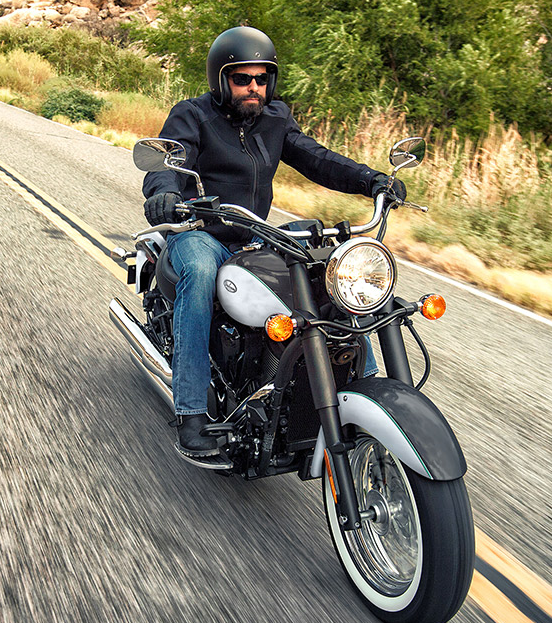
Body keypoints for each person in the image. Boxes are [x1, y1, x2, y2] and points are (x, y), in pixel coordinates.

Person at [142, 25, 406, 464]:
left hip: (256, 237)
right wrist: (163, 194)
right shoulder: (192, 115)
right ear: (220, 79)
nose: (253, 88)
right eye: (242, 79)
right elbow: (170, 160)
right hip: (202, 234)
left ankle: (365, 384)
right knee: (201, 271)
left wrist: (371, 180)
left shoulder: (276, 118)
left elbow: (315, 157)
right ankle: (190, 411)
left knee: (330, 263)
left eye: (262, 79)